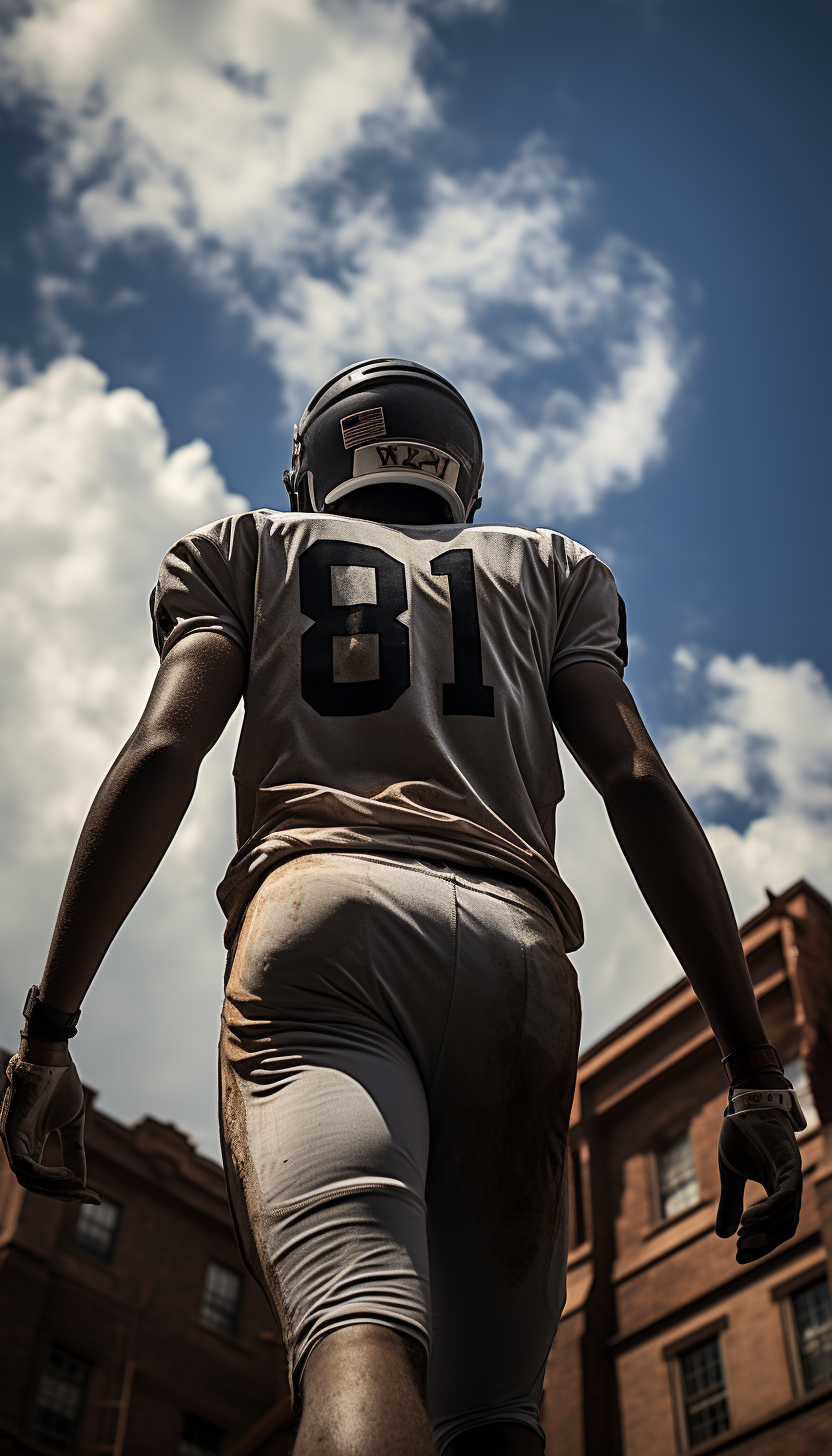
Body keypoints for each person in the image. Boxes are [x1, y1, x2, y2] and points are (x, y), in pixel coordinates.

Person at [2, 359, 806, 1455]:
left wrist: (50, 1028)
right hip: (516, 948)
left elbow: (161, 751)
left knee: (357, 1337)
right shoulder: (552, 569)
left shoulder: (248, 549)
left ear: (313, 464)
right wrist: (755, 1068)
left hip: (322, 919)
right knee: (493, 1416)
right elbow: (635, 784)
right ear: (460, 472)